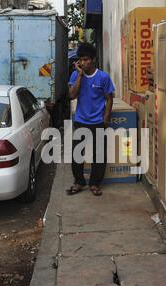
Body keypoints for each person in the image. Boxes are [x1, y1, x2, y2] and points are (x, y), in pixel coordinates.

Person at [67, 42, 115, 196]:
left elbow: (109, 98)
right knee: (77, 155)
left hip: (98, 122)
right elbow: (72, 95)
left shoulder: (103, 77)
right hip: (81, 120)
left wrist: (106, 118)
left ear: (93, 59)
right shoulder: (75, 75)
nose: (83, 62)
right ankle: (79, 182)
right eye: (80, 59)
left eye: (86, 59)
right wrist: (80, 75)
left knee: (99, 155)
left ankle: (94, 183)